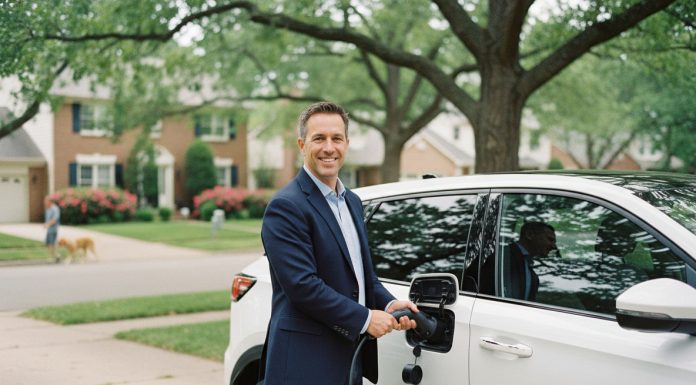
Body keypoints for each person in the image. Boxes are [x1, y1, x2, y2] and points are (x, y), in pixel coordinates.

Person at [260, 101, 418, 385]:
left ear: (347, 143)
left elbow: (362, 276)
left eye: (337, 138)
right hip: (304, 362)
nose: (329, 148)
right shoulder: (286, 206)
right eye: (319, 138)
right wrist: (366, 318)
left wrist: (389, 303)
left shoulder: (353, 202)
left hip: (347, 359)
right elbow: (302, 286)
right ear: (301, 145)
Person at [506, 221, 557, 301]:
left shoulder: (527, 266)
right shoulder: (505, 257)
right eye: (550, 239)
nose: (554, 247)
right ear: (529, 235)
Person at [43, 196, 60, 262]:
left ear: (50, 201)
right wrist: (46, 224)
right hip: (49, 229)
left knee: (51, 243)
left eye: (46, 201)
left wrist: (48, 224)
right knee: (49, 243)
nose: (44, 202)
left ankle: (55, 257)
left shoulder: (55, 209)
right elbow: (48, 219)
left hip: (53, 229)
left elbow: (55, 219)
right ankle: (56, 256)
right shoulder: (48, 209)